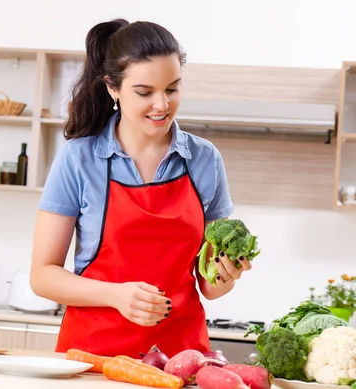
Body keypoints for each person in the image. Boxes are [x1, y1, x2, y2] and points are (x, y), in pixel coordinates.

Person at [29, 18, 254, 359]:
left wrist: (226, 274)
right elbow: (43, 276)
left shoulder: (204, 159)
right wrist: (116, 295)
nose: (162, 105)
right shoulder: (79, 158)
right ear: (113, 88)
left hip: (181, 358)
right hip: (93, 360)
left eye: (172, 89)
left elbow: (209, 287)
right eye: (145, 92)